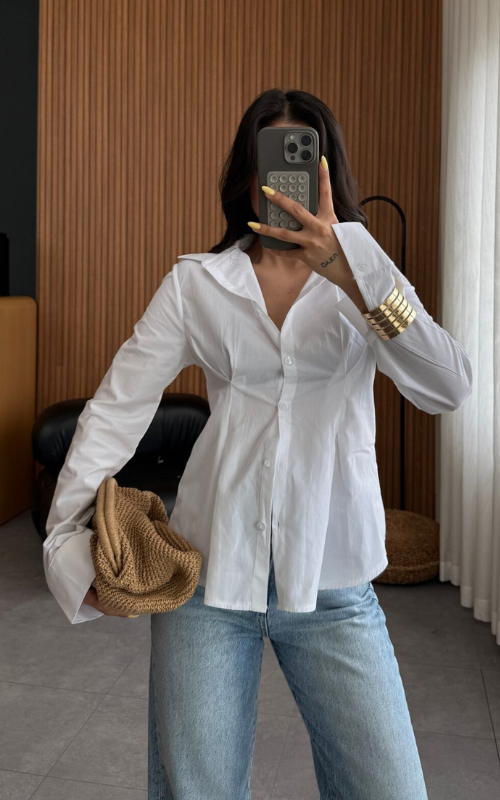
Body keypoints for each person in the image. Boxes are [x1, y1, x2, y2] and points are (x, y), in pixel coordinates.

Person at [44, 88, 472, 799]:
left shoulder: (366, 283)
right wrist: (65, 537)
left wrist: (353, 271)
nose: (284, 182)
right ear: (247, 176)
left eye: (302, 161)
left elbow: (448, 387)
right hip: (206, 581)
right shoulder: (197, 284)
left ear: (328, 174)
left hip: (334, 585)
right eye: (271, 161)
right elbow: (118, 408)